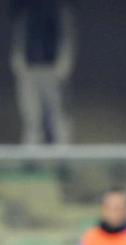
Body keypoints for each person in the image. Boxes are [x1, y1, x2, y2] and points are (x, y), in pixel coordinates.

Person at [10, 0, 76, 144]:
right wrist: (18, 58)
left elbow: (66, 34)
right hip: (30, 68)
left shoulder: (59, 9)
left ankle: (62, 148)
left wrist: (64, 60)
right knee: (31, 114)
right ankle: (32, 148)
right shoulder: (26, 11)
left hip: (51, 69)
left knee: (58, 112)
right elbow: (20, 34)